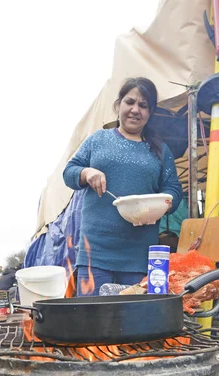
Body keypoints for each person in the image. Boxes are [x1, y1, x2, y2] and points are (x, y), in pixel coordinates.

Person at [63, 77, 183, 296]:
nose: (135, 110)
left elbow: (174, 189)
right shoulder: (97, 140)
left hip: (138, 256)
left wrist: (161, 205)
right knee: (91, 320)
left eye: (143, 105)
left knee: (132, 323)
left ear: (150, 113)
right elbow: (69, 173)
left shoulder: (159, 150)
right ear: (119, 105)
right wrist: (87, 172)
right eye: (130, 102)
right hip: (95, 254)